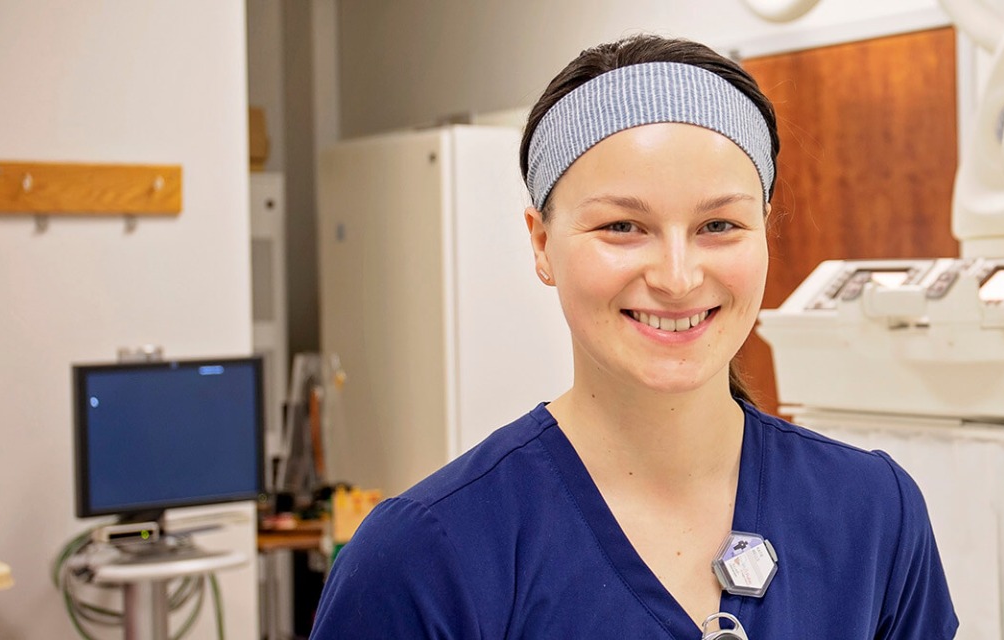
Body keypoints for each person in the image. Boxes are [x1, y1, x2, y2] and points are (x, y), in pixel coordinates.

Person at [310, 34, 959, 639]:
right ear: (541, 243)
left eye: (718, 226)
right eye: (623, 227)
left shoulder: (872, 515)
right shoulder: (427, 555)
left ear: (765, 229)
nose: (677, 277)